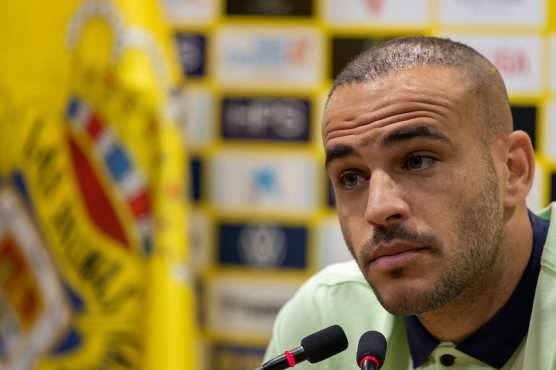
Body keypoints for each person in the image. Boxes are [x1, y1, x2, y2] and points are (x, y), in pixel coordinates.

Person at [264, 36, 556, 370]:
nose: (378, 208)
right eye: (352, 178)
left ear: (513, 170)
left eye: (417, 161)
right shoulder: (324, 314)